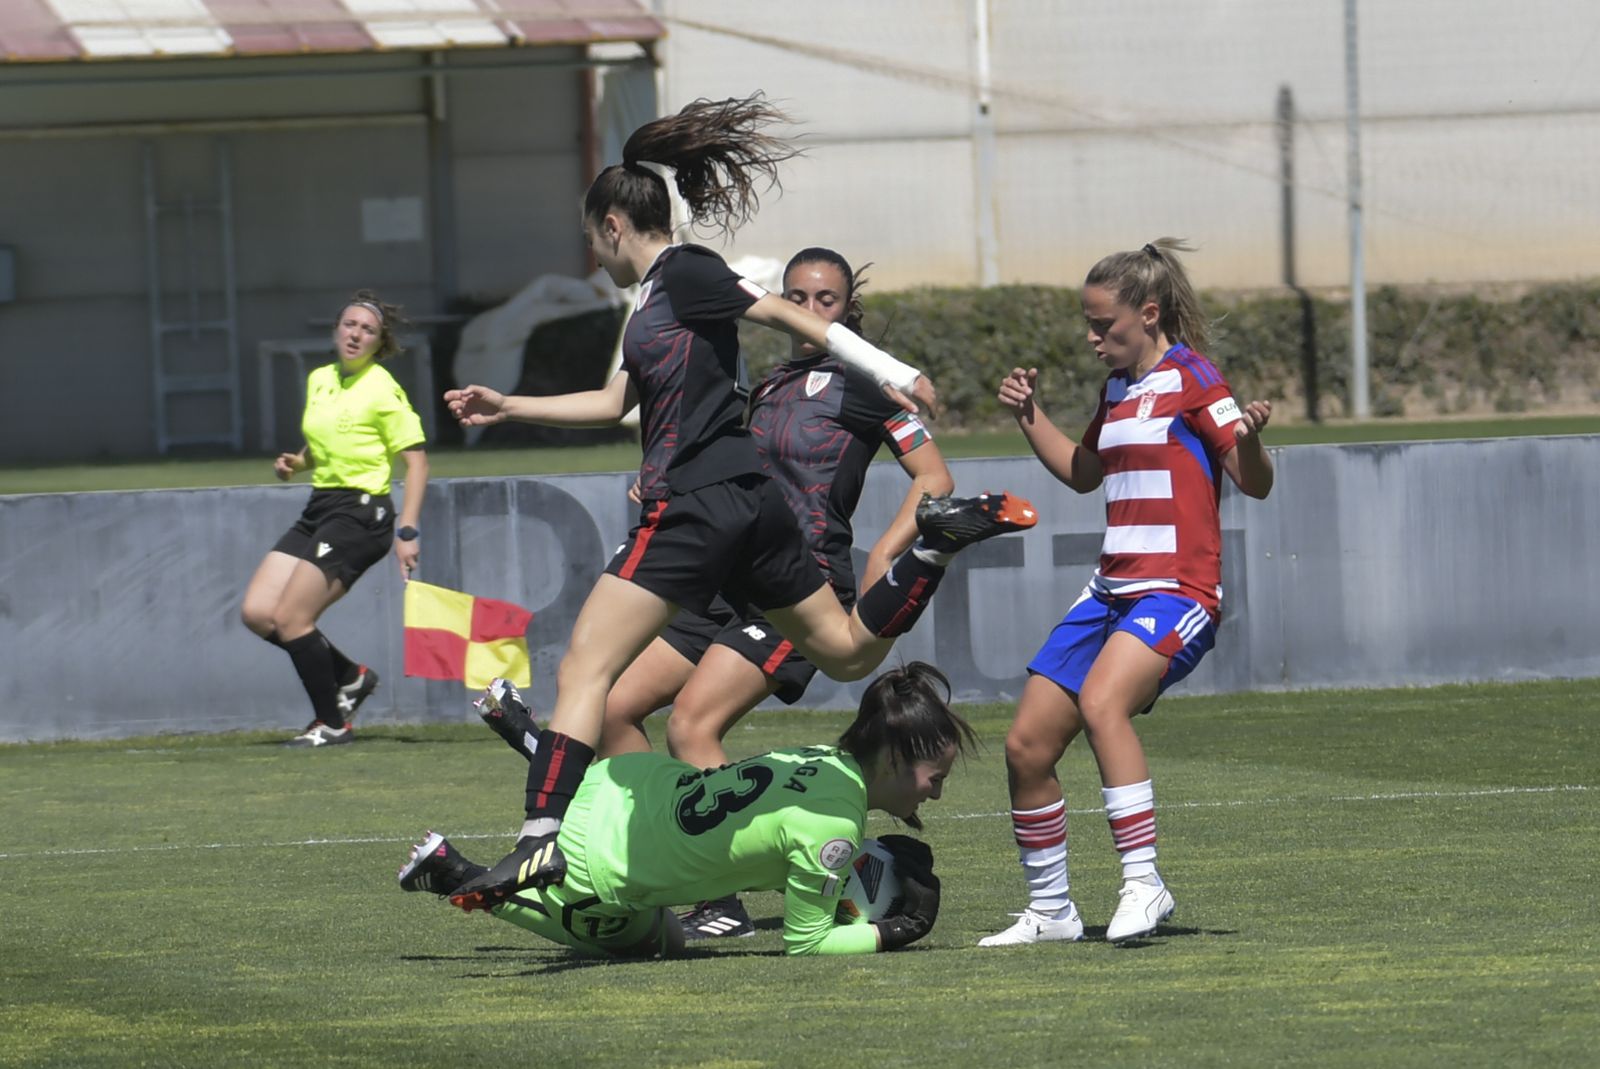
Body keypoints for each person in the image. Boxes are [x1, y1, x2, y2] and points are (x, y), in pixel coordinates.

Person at [442, 94, 1035, 907]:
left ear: (613, 224)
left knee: (586, 667)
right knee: (846, 650)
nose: (594, 256)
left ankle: (540, 837)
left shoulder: (683, 270)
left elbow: (784, 313)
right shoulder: (651, 303)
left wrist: (892, 371)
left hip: (697, 503)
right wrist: (507, 405)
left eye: (592, 239)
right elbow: (616, 401)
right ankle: (933, 547)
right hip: (751, 509)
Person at [978, 239, 1274, 946]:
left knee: (1102, 702)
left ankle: (1144, 883)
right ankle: (1051, 911)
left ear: (1147, 314)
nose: (1091, 337)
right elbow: (1084, 472)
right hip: (1110, 590)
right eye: (1088, 323)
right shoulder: (1115, 387)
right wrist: (1028, 413)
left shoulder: (1196, 377)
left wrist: (1252, 439)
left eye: (1102, 324)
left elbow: (1254, 481)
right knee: (1026, 745)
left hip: (1178, 591)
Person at [399, 662, 965, 957]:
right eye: (935, 778)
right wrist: (896, 930)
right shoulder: (836, 828)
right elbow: (807, 943)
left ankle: (529, 738)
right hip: (600, 863)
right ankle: (453, 870)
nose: (935, 794)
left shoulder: (822, 758)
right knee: (661, 940)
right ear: (894, 758)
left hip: (626, 786)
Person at [240, 291, 429, 747]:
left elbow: (417, 463)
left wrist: (407, 530)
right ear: (336, 330)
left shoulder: (382, 388)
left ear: (379, 342)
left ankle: (332, 722)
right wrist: (298, 462)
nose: (356, 334)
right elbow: (326, 441)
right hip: (320, 507)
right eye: (350, 325)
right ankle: (349, 676)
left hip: (362, 514)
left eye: (368, 330)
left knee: (291, 618)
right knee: (259, 613)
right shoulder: (321, 379)